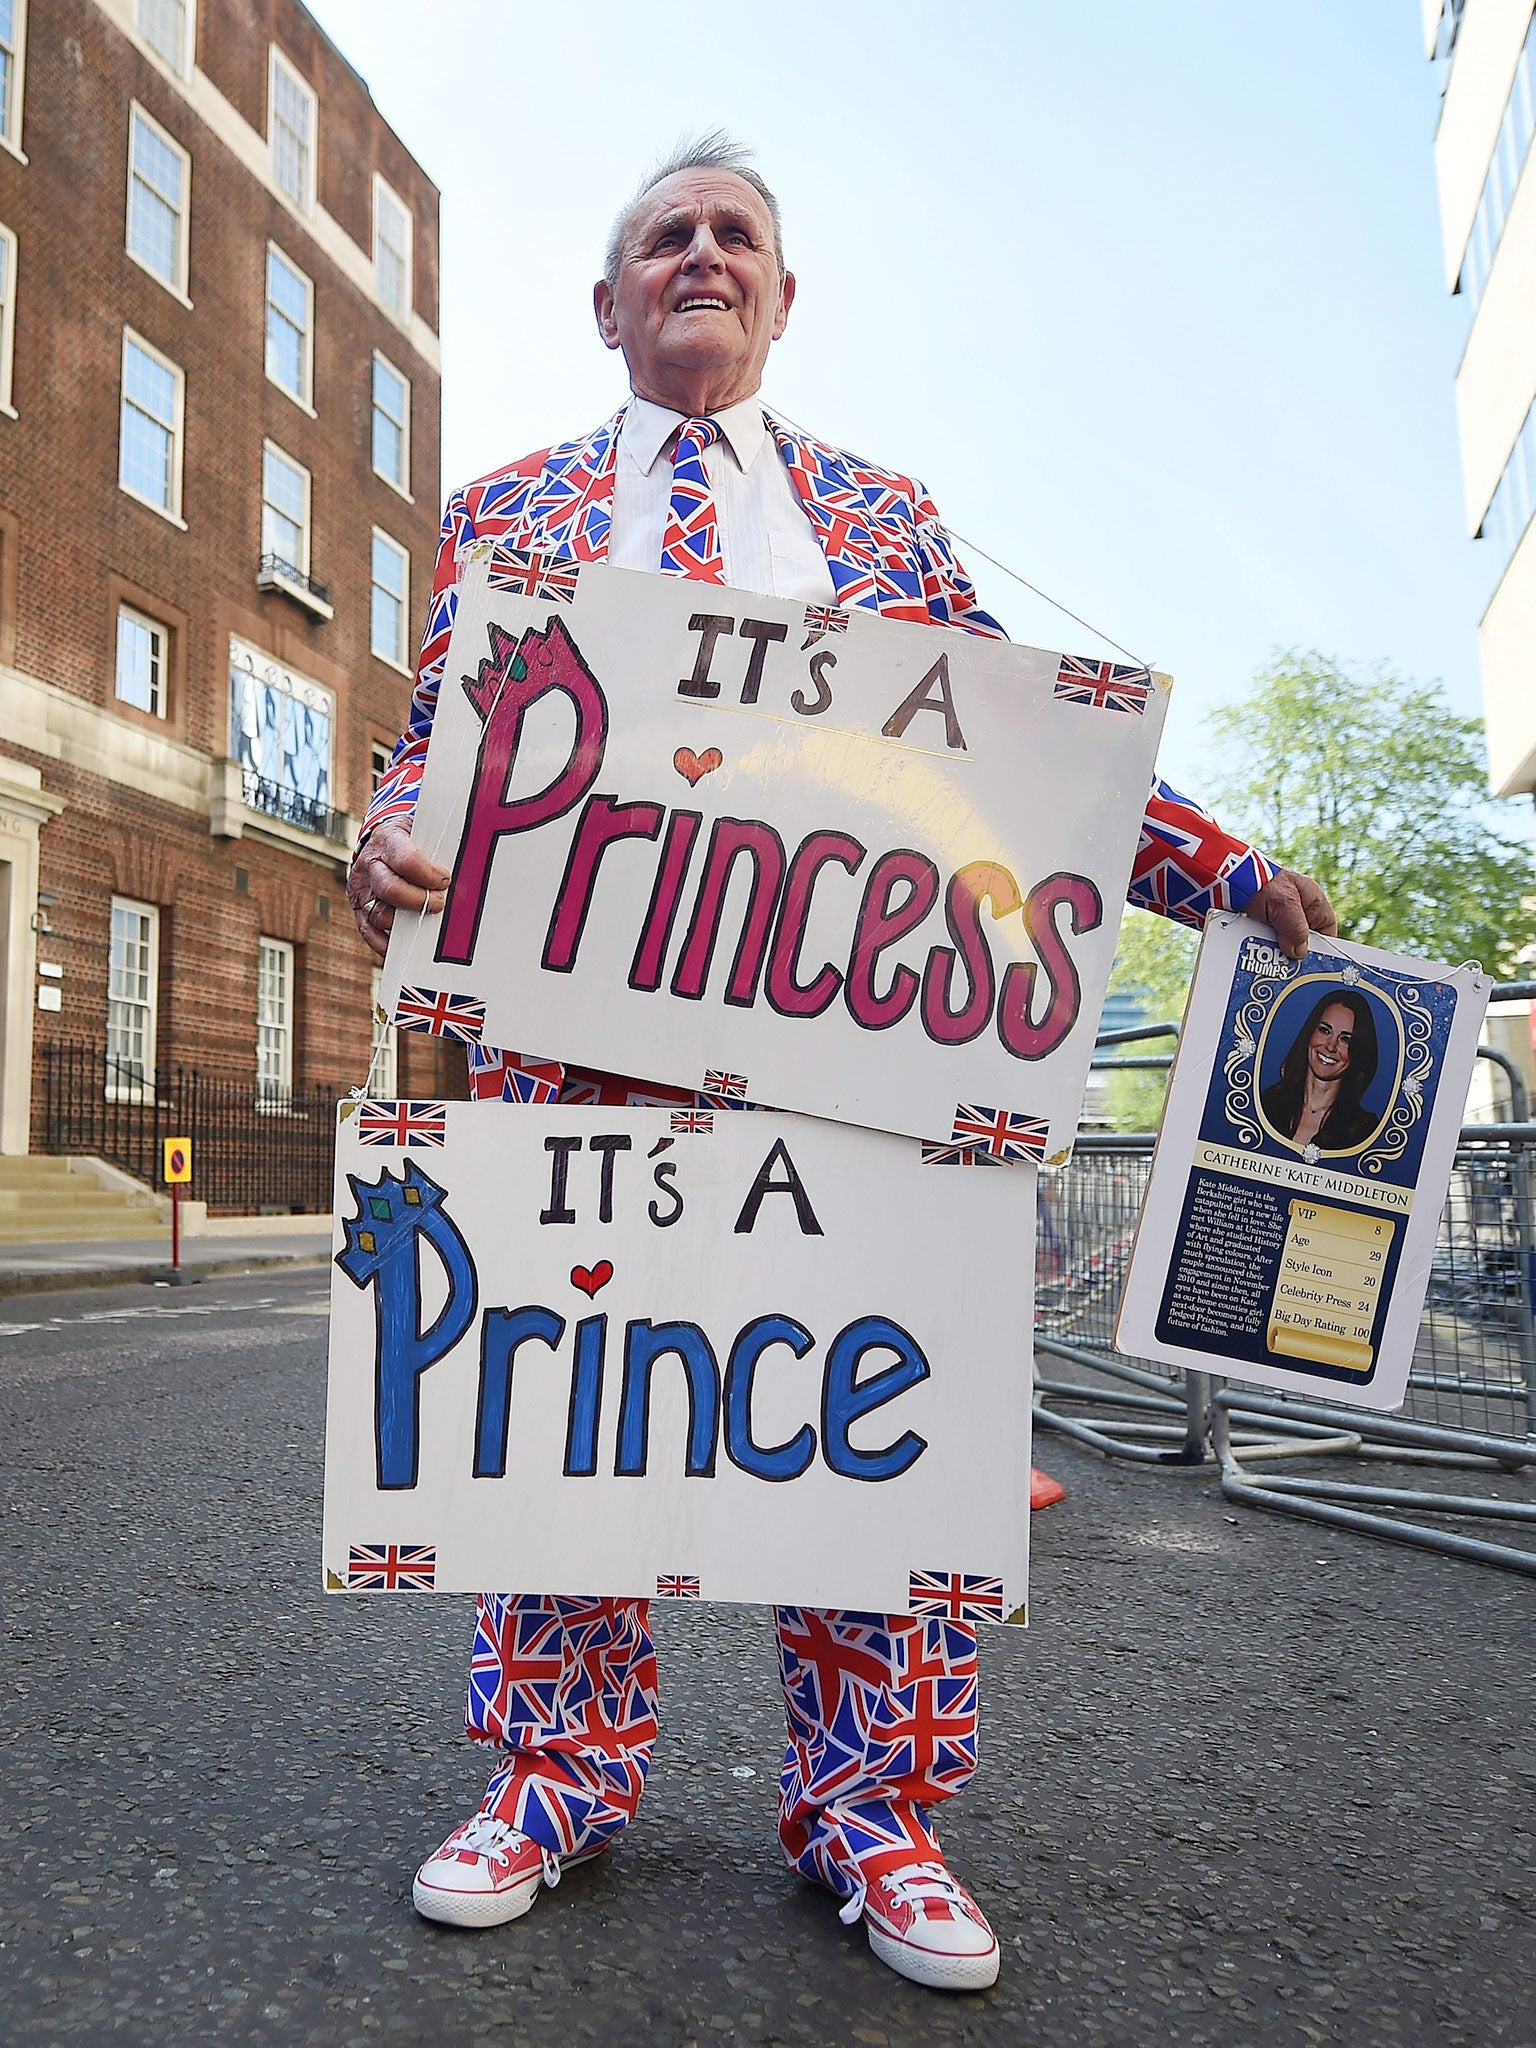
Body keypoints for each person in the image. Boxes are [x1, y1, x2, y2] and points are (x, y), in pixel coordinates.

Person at [347, 135, 1338, 1993]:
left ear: (786, 298)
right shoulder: (507, 513)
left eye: (739, 235)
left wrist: (1213, 866)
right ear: (609, 301)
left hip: (858, 1071)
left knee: (872, 1443)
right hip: (582, 1067)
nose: (703, 254)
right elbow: (430, 761)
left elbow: (1027, 765)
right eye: (667, 235)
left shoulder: (882, 517)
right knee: (579, 1418)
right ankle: (554, 1768)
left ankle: (870, 1807)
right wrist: (383, 840)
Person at [1260, 989, 1379, 1155]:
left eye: (1345, 1039)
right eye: (1325, 1030)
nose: (1330, 1046)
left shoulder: (1363, 1130)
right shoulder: (1265, 1104)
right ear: (1310, 1032)